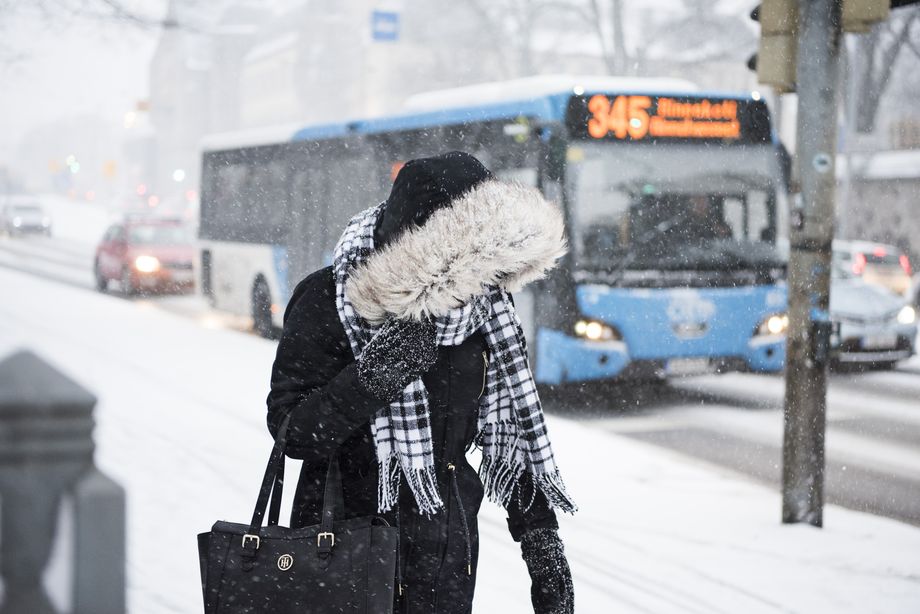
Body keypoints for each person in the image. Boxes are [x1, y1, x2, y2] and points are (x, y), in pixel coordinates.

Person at [267, 151, 577, 614]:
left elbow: (507, 428)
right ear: (435, 242)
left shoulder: (485, 310)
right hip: (343, 552)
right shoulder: (328, 299)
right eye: (476, 247)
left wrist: (540, 540)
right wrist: (370, 381)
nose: (486, 267)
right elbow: (291, 431)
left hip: (447, 561)